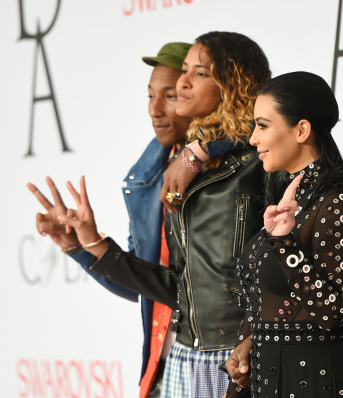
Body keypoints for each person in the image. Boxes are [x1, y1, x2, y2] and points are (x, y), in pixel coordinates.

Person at [56, 31, 271, 398]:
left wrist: (197, 153)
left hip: (237, 356)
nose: (180, 86)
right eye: (182, 74)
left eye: (196, 75)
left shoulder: (258, 160)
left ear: (232, 83)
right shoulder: (171, 170)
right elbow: (175, 287)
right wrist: (89, 245)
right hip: (184, 356)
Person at [225, 71, 343, 398]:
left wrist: (284, 244)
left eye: (263, 125)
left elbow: (334, 312)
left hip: (319, 382)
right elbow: (269, 303)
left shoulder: (337, 202)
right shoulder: (287, 202)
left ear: (301, 130)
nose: (253, 138)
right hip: (269, 380)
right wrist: (246, 346)